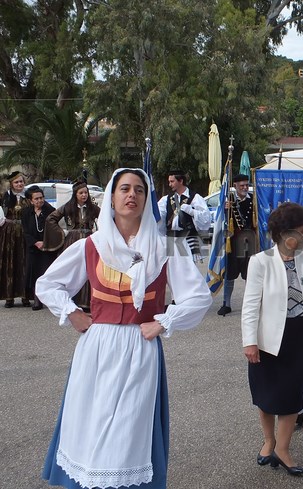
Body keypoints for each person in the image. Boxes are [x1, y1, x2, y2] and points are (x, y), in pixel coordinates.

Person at [37, 168, 212, 488]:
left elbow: (199, 297)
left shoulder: (167, 246)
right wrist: (72, 312)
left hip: (140, 348)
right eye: (124, 189)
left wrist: (164, 321)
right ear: (111, 197)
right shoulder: (91, 245)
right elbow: (48, 284)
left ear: (147, 200)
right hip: (97, 348)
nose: (132, 195)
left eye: (139, 190)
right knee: (91, 421)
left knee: (130, 430)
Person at [241, 203, 303, 476]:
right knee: (267, 394)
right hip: (268, 339)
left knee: (292, 395)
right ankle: (269, 441)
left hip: (298, 336)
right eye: (302, 231)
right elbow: (250, 306)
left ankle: (282, 449)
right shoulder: (261, 261)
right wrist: (249, 341)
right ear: (285, 233)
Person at [43, 179, 101, 310]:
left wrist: (99, 232)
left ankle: (87, 301)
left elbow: (106, 217)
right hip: (72, 241)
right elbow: (51, 218)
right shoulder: (68, 207)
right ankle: (72, 300)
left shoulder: (93, 208)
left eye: (85, 192)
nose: (84, 195)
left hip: (88, 240)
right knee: (74, 269)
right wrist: (62, 232)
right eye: (81, 193)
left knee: (88, 268)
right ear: (75, 194)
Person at [218, 173, 257, 316]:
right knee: (229, 274)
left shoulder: (254, 200)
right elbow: (220, 221)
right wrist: (225, 210)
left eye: (247, 185)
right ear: (235, 186)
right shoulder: (228, 201)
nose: (245, 188)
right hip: (233, 243)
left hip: (249, 242)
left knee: (249, 274)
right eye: (242, 185)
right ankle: (226, 304)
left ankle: (249, 304)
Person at [157, 169, 211, 263]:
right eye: (169, 182)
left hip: (189, 239)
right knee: (172, 268)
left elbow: (206, 219)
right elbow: (159, 216)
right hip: (171, 239)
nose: (169, 184)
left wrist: (192, 212)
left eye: (172, 181)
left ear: (181, 181)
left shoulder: (195, 198)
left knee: (189, 269)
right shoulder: (166, 199)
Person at [21, 186, 57, 311]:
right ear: (31, 201)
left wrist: (45, 242)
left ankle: (49, 298)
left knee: (46, 272)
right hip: (33, 247)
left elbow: (55, 229)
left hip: (47, 247)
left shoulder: (51, 211)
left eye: (41, 198)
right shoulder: (26, 212)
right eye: (36, 199)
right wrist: (35, 242)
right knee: (34, 273)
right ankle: (37, 299)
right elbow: (25, 231)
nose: (39, 200)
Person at [0, 171, 29, 307]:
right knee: (10, 262)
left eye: (21, 181)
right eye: (16, 182)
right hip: (9, 233)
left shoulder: (28, 196)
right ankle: (9, 297)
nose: (19, 184)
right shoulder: (5, 197)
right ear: (11, 184)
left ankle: (25, 296)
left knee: (24, 262)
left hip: (25, 232)